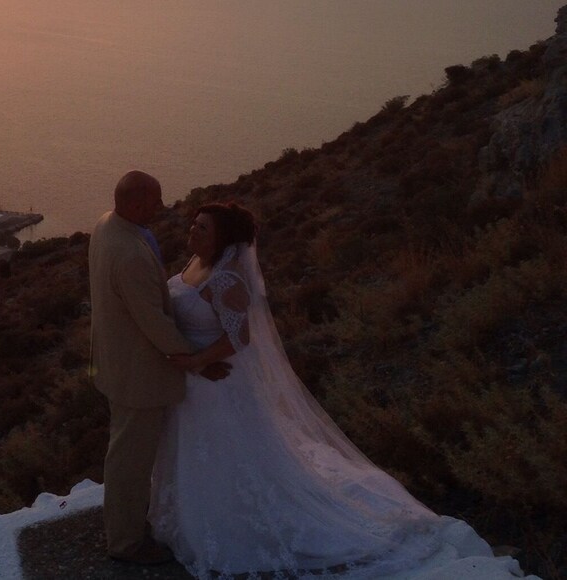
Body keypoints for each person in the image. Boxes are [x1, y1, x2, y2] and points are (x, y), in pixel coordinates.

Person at [148, 202, 496, 579]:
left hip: (219, 380)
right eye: (194, 225)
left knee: (226, 452)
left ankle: (236, 526)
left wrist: (197, 360)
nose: (192, 232)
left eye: (203, 228)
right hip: (194, 377)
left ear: (224, 239)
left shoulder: (227, 278)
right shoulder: (192, 264)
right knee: (198, 450)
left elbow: (240, 337)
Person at [88, 171, 229, 566]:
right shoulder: (130, 253)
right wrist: (197, 362)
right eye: (155, 202)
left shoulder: (106, 225)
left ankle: (128, 527)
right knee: (129, 462)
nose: (161, 208)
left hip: (115, 363)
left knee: (125, 453)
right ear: (135, 204)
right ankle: (126, 543)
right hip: (137, 375)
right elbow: (152, 320)